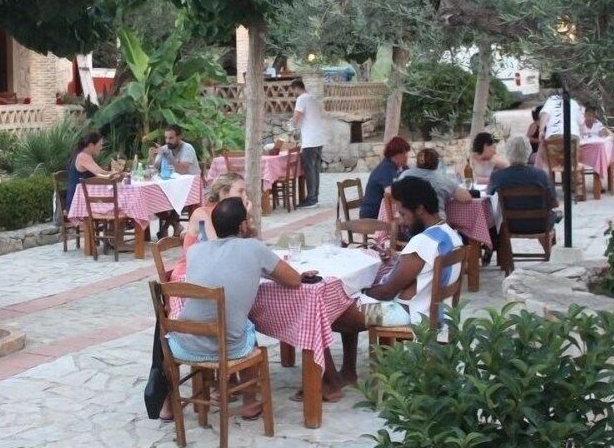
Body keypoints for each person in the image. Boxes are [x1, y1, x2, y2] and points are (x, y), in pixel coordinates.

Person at [170, 198, 308, 420]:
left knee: (220, 320)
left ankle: (175, 404)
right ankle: (250, 403)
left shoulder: (195, 252)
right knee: (247, 329)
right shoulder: (253, 248)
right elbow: (293, 280)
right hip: (229, 348)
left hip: (184, 344)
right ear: (243, 225)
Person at [333, 177, 464, 383]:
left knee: (336, 311)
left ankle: (337, 376)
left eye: (403, 214)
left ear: (419, 209)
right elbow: (422, 269)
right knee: (349, 306)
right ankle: (354, 371)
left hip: (410, 315)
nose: (401, 221)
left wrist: (360, 292)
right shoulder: (450, 235)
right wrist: (399, 259)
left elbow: (386, 291)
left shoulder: (422, 242)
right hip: (437, 314)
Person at [173, 173, 254, 281]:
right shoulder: (202, 214)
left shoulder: (233, 216)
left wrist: (245, 220)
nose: (245, 197)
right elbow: (218, 246)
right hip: (188, 275)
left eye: (245, 192)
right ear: (224, 193)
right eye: (240, 191)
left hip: (214, 271)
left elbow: (248, 245)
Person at [487, 135, 559, 234]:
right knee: (554, 215)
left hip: (510, 225)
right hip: (540, 224)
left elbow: (488, 200)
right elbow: (554, 203)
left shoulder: (497, 177)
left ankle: (505, 249)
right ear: (528, 152)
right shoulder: (541, 175)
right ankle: (546, 248)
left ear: (507, 152)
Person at [398, 148, 472, 219]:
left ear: (417, 161)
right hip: (435, 223)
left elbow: (392, 195)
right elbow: (466, 198)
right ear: (437, 163)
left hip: (409, 223)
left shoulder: (404, 175)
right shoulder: (443, 179)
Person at [291, 79, 326, 207]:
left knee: (309, 169)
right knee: (316, 168)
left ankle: (311, 198)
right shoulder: (313, 98)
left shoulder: (301, 99)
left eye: (293, 91)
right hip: (319, 138)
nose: (293, 93)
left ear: (295, 88)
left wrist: (291, 127)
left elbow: (296, 116)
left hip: (310, 140)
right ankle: (315, 196)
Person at [63, 131, 117, 215]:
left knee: (112, 203)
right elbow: (99, 173)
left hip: (83, 199)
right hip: (78, 203)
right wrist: (115, 173)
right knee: (114, 206)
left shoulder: (84, 155)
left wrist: (113, 173)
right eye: (100, 145)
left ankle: (114, 224)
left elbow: (100, 172)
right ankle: (115, 224)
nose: (101, 148)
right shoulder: (83, 156)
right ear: (91, 145)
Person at [359, 136, 411, 219]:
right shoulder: (386, 169)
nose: (406, 156)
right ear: (395, 155)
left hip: (385, 211)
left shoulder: (399, 167)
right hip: (373, 215)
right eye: (404, 153)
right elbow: (391, 195)